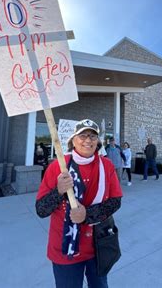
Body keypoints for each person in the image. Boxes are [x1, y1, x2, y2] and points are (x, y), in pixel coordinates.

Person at [35, 119, 123, 287]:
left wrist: (87, 215)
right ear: (73, 140)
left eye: (92, 136)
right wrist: (59, 191)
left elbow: (115, 202)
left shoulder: (107, 166)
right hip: (65, 249)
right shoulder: (57, 167)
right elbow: (41, 210)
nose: (88, 140)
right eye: (82, 135)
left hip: (98, 246)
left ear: (97, 141)